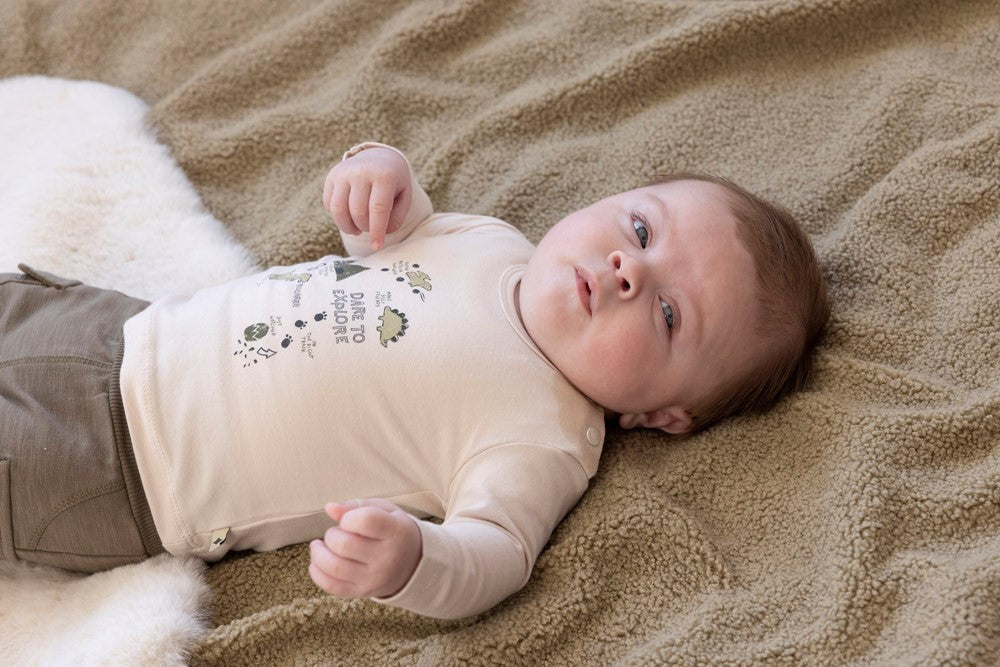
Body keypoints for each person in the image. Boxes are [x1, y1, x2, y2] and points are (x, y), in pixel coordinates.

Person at [0, 142, 828, 619]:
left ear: (662, 414)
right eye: (641, 227)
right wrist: (378, 174)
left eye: (670, 314)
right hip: (116, 329)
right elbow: (394, 234)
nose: (626, 268)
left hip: (115, 472)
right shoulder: (491, 241)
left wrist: (414, 560)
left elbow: (494, 556)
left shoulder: (544, 438)